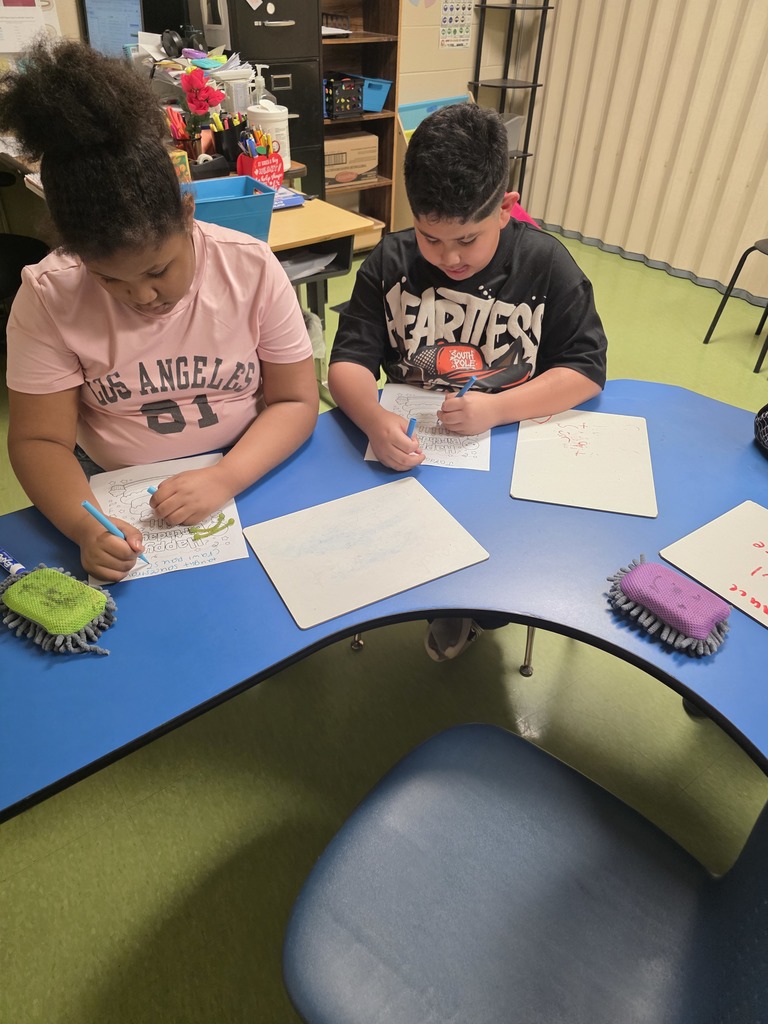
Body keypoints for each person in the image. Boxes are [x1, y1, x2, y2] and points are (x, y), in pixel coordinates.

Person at [0, 38, 318, 583]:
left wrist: (224, 477)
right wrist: (86, 526)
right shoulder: (48, 294)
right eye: (108, 280)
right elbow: (39, 440)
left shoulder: (248, 267)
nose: (142, 297)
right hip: (111, 486)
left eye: (156, 271)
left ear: (188, 214)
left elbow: (294, 400)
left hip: (246, 463)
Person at [328, 102, 608, 660]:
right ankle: (444, 602)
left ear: (505, 209)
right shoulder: (390, 262)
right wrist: (373, 417)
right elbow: (348, 363)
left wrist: (496, 410)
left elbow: (585, 370)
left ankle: (471, 607)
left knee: (499, 586)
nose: (449, 257)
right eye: (431, 239)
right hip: (415, 457)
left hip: (508, 452)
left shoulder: (545, 265)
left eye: (467, 240)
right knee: (396, 550)